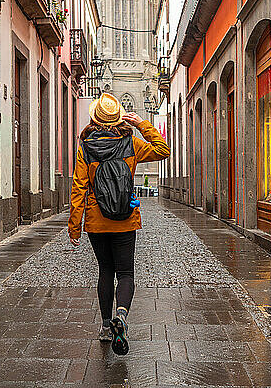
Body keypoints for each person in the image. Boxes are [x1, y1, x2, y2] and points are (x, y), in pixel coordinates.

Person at [68, 92, 170, 355]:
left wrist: (74, 225)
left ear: (95, 118)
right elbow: (163, 149)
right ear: (118, 118)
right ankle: (121, 316)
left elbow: (79, 187)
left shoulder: (86, 147)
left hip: (96, 220)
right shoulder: (131, 143)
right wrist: (141, 124)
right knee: (126, 273)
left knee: (105, 271)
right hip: (125, 218)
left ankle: (104, 326)